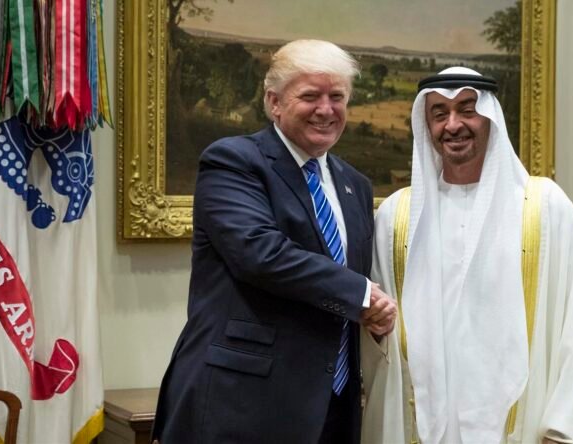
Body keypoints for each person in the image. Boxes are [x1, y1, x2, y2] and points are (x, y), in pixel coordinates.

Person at [152, 39, 397, 444]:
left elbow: (347, 282)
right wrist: (362, 295)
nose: (326, 109)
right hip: (242, 403)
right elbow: (260, 254)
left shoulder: (355, 184)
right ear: (274, 102)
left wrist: (373, 317)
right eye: (310, 96)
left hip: (332, 408)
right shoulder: (233, 162)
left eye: (337, 97)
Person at [361, 67, 573, 444]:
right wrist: (375, 329)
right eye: (439, 114)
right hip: (422, 427)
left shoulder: (543, 207)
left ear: (491, 118)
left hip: (520, 427)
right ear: (426, 125)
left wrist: (564, 429)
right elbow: (378, 335)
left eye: (467, 109)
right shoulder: (398, 217)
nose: (453, 125)